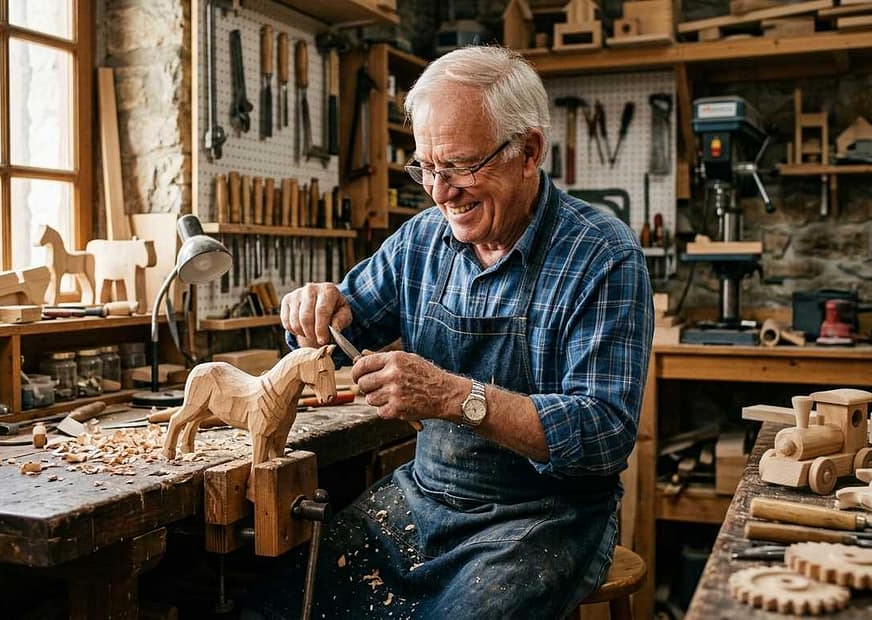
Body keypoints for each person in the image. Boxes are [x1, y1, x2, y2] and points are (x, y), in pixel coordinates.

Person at [243, 45, 653, 619]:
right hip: (425, 497)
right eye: (427, 169)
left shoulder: (603, 255)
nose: (439, 192)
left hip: (544, 515)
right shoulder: (421, 241)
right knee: (278, 599)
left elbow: (604, 434)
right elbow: (334, 328)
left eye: (459, 166)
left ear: (529, 151)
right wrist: (312, 312)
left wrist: (455, 397)